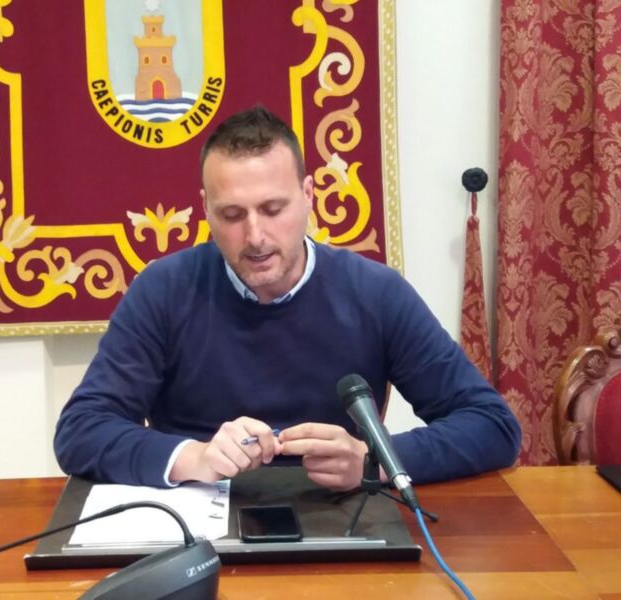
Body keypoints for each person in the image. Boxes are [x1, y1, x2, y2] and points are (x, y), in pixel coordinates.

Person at [54, 105, 521, 491]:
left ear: (308, 195)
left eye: (273, 209)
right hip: (199, 525)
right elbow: (81, 430)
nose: (255, 236)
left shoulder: (374, 292)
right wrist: (194, 457)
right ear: (206, 210)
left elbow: (493, 426)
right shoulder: (163, 289)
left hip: (340, 517)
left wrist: (373, 459)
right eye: (231, 215)